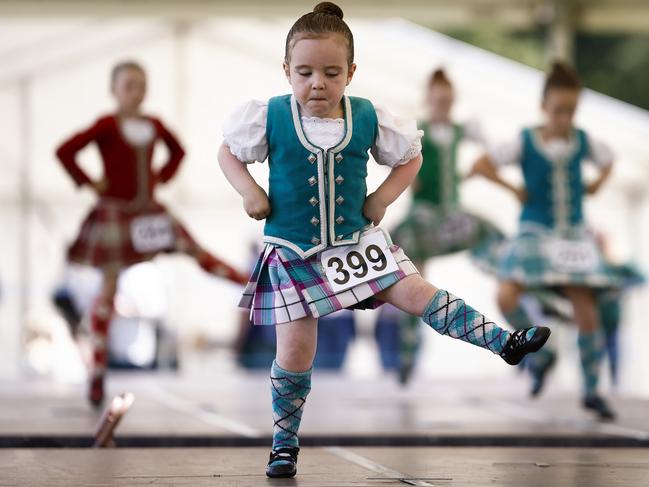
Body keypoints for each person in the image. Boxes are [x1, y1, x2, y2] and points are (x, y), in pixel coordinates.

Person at [218, 3, 550, 478]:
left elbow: (409, 158)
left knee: (418, 292)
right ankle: (284, 444)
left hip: (357, 244)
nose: (318, 83)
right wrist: (249, 190)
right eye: (306, 72)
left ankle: (503, 342)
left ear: (351, 73)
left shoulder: (370, 117)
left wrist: (382, 198)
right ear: (286, 70)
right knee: (294, 352)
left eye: (331, 73)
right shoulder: (267, 116)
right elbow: (228, 152)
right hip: (294, 250)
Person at [56, 61, 248, 407]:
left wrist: (161, 177)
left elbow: (179, 151)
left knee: (196, 252)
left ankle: (253, 283)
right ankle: (97, 371)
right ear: (114, 90)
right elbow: (65, 151)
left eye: (141, 85)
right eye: (128, 85)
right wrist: (89, 182)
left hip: (148, 212)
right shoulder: (106, 125)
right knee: (108, 291)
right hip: (114, 212)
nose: (136, 92)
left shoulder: (153, 125)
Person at [471, 61, 619, 420]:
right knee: (506, 295)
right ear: (544, 107)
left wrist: (597, 184)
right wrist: (513, 188)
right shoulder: (525, 140)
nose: (565, 118)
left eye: (571, 111)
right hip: (535, 230)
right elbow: (482, 164)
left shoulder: (583, 141)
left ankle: (591, 388)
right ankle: (540, 354)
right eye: (558, 110)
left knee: (585, 303)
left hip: (571, 233)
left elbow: (609, 159)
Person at [390, 68, 502, 384]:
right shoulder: (417, 131)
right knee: (413, 283)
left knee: (490, 232)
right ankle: (408, 352)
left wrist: (469, 175)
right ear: (428, 98)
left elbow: (492, 150)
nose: (443, 105)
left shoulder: (459, 130)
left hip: (450, 214)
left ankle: (506, 277)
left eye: (447, 100)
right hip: (424, 217)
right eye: (438, 99)